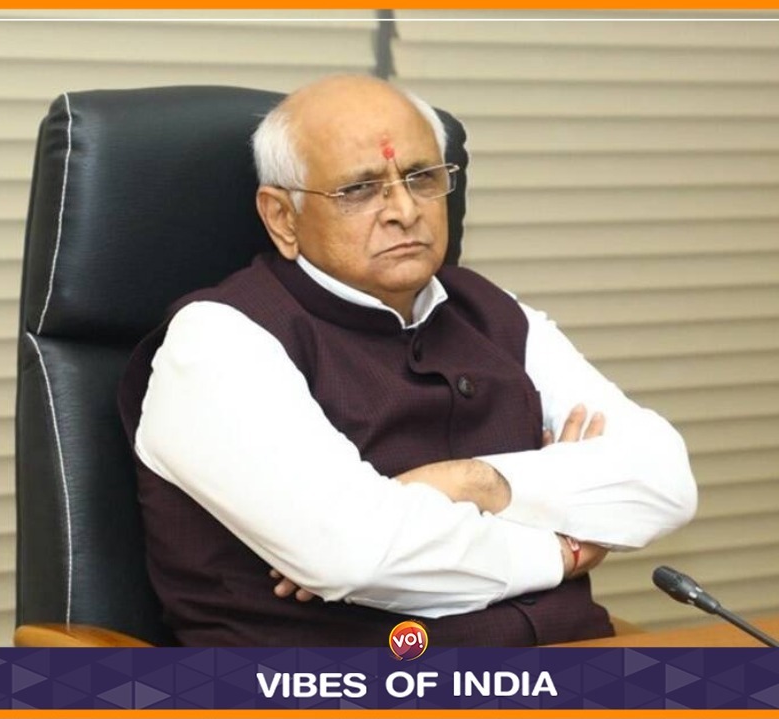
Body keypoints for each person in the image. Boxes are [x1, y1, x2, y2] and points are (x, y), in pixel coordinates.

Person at [117, 75, 697, 647]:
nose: (404, 210)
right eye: (359, 189)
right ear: (282, 218)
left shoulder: (489, 311)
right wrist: (560, 548)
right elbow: (357, 556)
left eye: (421, 178)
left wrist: (474, 483)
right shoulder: (217, 341)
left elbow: (665, 483)